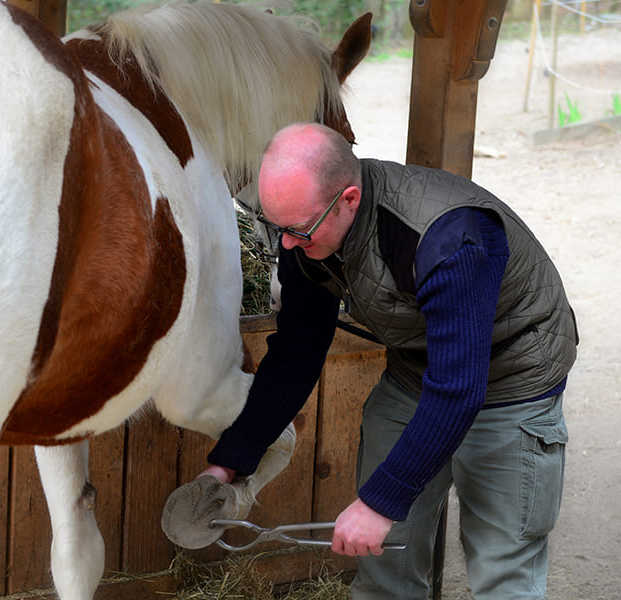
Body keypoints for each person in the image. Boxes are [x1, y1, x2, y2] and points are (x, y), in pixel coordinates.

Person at [201, 122, 578, 599]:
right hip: (417, 372)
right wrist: (232, 460)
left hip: (512, 381)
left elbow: (460, 387)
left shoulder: (447, 239)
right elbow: (297, 352)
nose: (288, 246)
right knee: (383, 559)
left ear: (350, 199)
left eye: (298, 230)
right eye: (279, 229)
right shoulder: (307, 231)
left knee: (502, 565)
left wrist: (380, 503)